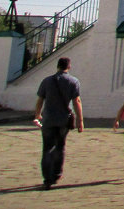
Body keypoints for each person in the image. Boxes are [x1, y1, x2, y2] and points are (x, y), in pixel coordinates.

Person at [33, 56, 83, 190]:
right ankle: (56, 174)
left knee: (47, 148)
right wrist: (80, 120)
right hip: (63, 120)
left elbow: (40, 100)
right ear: (69, 67)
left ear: (57, 66)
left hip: (48, 119)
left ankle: (47, 178)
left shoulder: (47, 81)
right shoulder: (73, 81)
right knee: (60, 147)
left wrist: (38, 114)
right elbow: (76, 101)